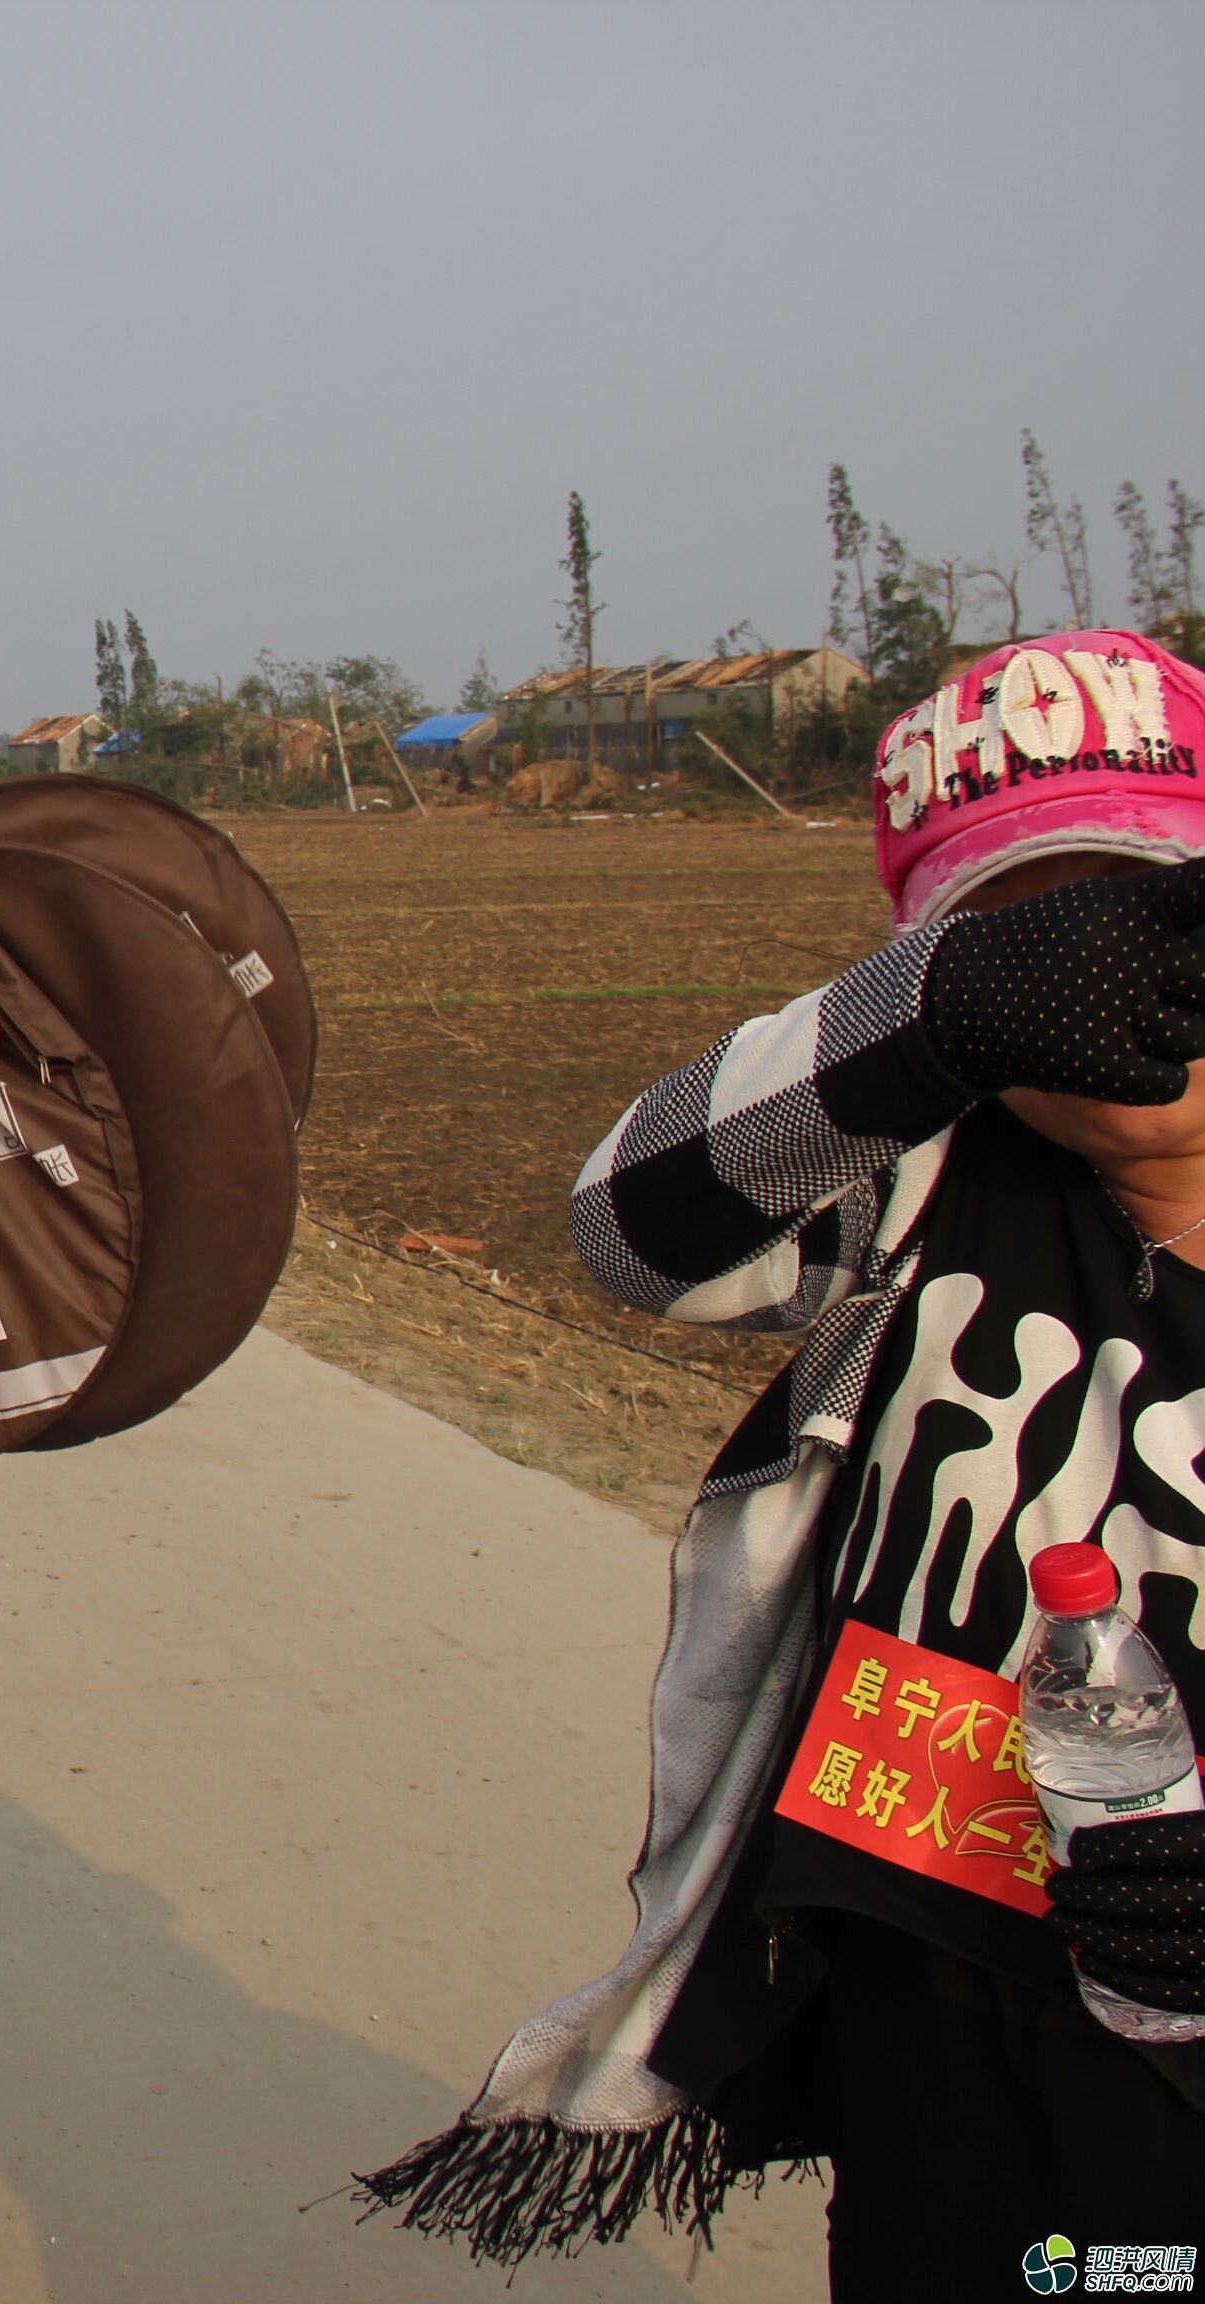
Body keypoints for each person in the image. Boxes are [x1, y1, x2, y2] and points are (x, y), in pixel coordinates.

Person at [362, 631, 1205, 2297]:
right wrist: (930, 1023)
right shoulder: (911, 1190)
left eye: (1149, 933)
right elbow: (629, 1220)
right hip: (924, 1971)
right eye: (1025, 957)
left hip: (1164, 2044)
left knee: (1116, 2275)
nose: (1102, 1019)